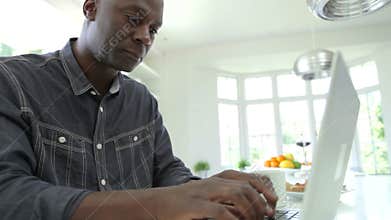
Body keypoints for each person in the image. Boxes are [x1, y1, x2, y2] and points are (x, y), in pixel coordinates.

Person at [0, 0, 278, 219]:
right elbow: (9, 195)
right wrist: (158, 204)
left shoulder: (143, 100)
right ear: (91, 7)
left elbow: (166, 170)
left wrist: (208, 194)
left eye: (154, 29)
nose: (145, 37)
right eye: (134, 19)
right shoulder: (12, 81)